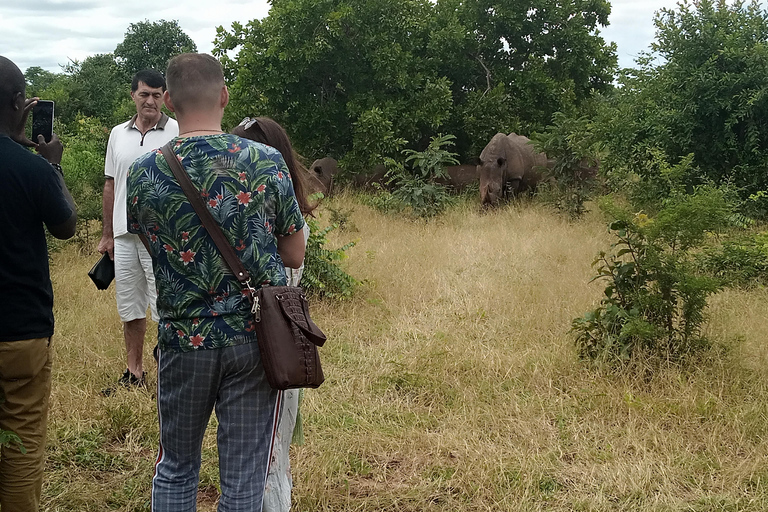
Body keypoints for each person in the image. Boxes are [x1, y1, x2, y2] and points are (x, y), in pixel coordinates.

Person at [126, 53, 306, 511]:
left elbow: (152, 247)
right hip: (253, 339)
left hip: (182, 340)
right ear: (224, 95)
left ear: (167, 100)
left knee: (176, 467)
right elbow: (294, 253)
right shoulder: (265, 161)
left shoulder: (143, 171)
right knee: (245, 476)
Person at [0, 55, 77, 512]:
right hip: (21, 331)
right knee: (22, 443)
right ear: (18, 102)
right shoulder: (31, 168)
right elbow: (66, 226)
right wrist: (51, 164)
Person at [231, 116, 317, 512]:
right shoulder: (290, 213)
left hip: (269, 338)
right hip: (280, 338)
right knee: (266, 451)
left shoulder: (260, 217)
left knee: (266, 456)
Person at [98, 69, 179, 392]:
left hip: (162, 237)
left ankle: (168, 376)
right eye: (144, 94)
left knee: (165, 307)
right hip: (123, 235)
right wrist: (107, 234)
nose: (150, 101)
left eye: (157, 95)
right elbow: (110, 184)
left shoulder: (176, 130)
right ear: (133, 95)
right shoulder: (118, 133)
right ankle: (134, 373)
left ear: (165, 97)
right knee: (130, 307)